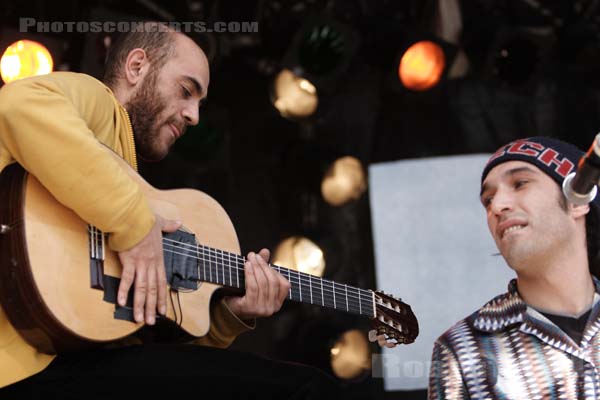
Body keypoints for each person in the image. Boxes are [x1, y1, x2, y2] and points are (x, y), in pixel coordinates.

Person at [0, 23, 339, 398]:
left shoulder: (129, 178)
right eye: (185, 91)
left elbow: (141, 350)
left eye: (199, 102)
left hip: (53, 366)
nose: (194, 115)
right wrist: (135, 225)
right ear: (136, 67)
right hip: (23, 369)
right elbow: (18, 103)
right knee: (306, 389)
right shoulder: (98, 105)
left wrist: (231, 316)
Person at [427, 136, 600, 399]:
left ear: (577, 202)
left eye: (520, 184)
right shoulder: (461, 349)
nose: (497, 206)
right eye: (488, 200)